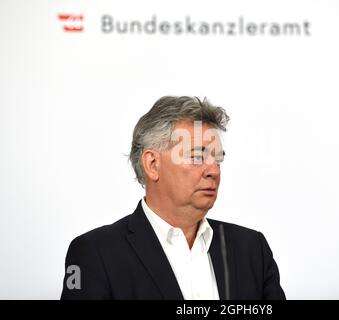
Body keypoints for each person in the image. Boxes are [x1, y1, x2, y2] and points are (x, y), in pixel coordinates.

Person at [61, 96, 285, 300]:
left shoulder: (252, 249)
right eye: (197, 156)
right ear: (152, 164)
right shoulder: (95, 253)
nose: (213, 171)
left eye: (217, 159)